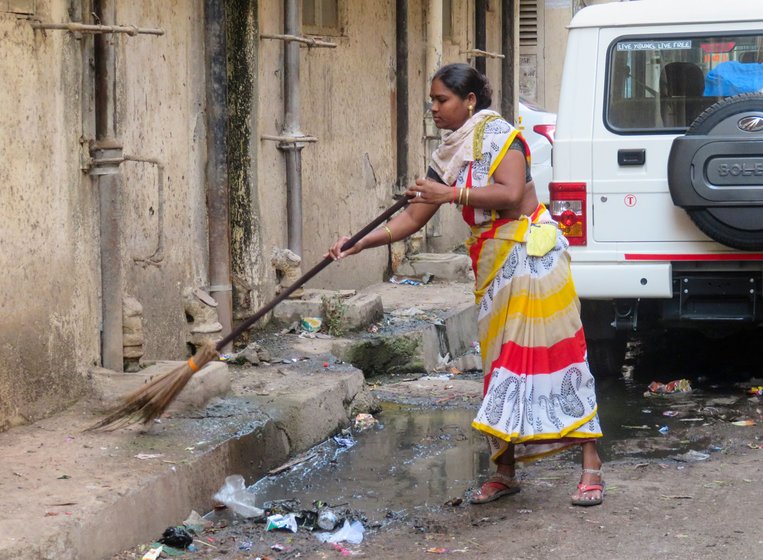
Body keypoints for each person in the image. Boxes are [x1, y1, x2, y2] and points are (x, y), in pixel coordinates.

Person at [328, 63, 604, 507]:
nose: (434, 109)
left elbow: (511, 194)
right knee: (501, 365)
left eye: (443, 100)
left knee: (557, 356)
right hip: (494, 265)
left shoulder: (501, 136)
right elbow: (411, 219)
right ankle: (505, 471)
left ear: (469, 100)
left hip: (532, 258)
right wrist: (359, 243)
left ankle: (591, 466)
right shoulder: (449, 154)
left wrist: (450, 195)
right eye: (432, 101)